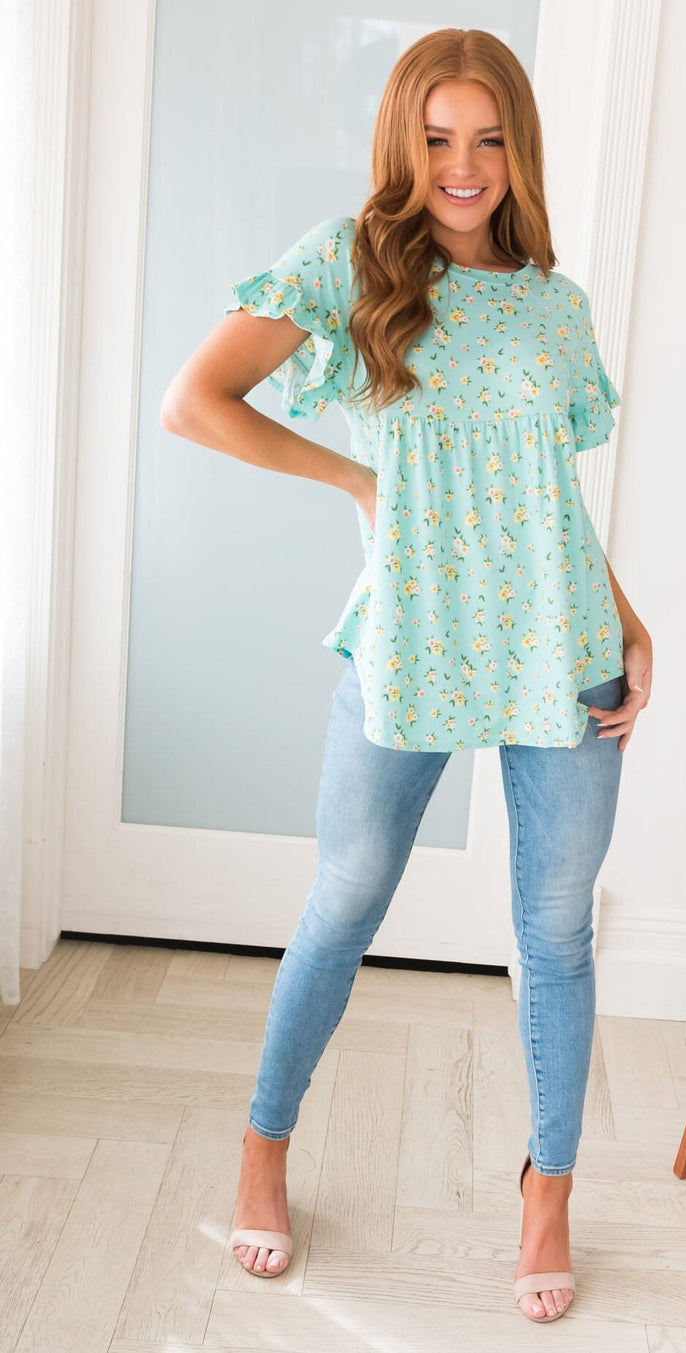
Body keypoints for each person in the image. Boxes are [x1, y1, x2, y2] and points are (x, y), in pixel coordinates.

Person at [161, 26, 651, 1324]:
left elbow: (552, 499)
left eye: (487, 139)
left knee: (556, 931)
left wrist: (629, 618)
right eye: (437, 139)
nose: (463, 165)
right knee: (345, 898)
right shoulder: (352, 262)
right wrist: (357, 482)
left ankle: (548, 1192)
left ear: (518, 150)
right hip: (415, 635)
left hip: (562, 644)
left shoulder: (553, 304)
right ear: (403, 143)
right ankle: (264, 1149)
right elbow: (195, 401)